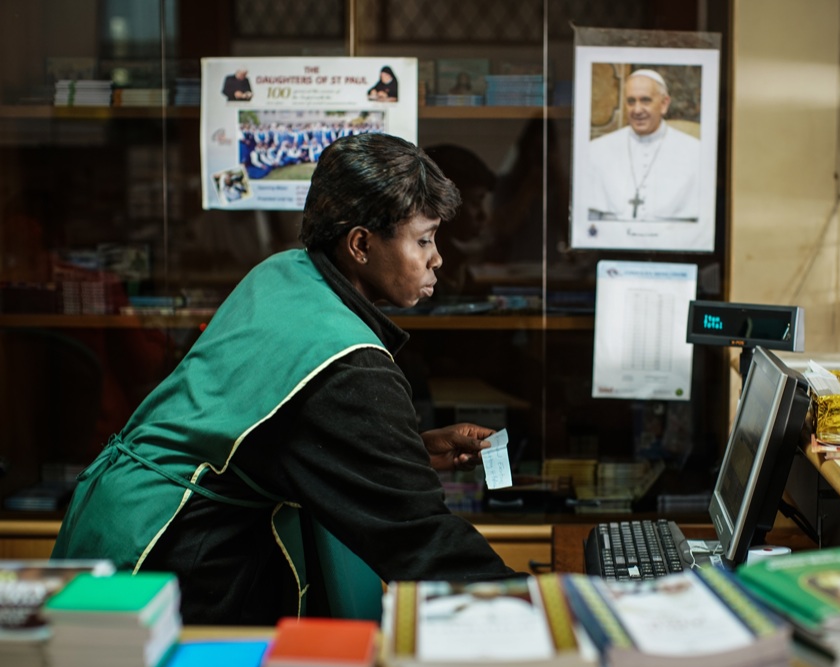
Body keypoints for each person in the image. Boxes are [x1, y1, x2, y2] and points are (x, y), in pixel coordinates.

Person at [51, 132, 523, 625]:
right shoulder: (350, 364)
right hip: (165, 550)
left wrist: (404, 446)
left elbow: (270, 419)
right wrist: (547, 607)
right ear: (361, 244)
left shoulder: (286, 273)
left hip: (119, 511)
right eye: (423, 239)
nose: (437, 258)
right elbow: (417, 539)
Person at [586, 69, 701, 222]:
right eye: (631, 101)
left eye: (645, 100)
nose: (637, 110)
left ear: (664, 104)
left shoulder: (696, 151)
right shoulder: (596, 150)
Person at [424, 144, 496, 297]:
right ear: (445, 204)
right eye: (476, 202)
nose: (483, 215)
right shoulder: (424, 269)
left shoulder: (455, 264)